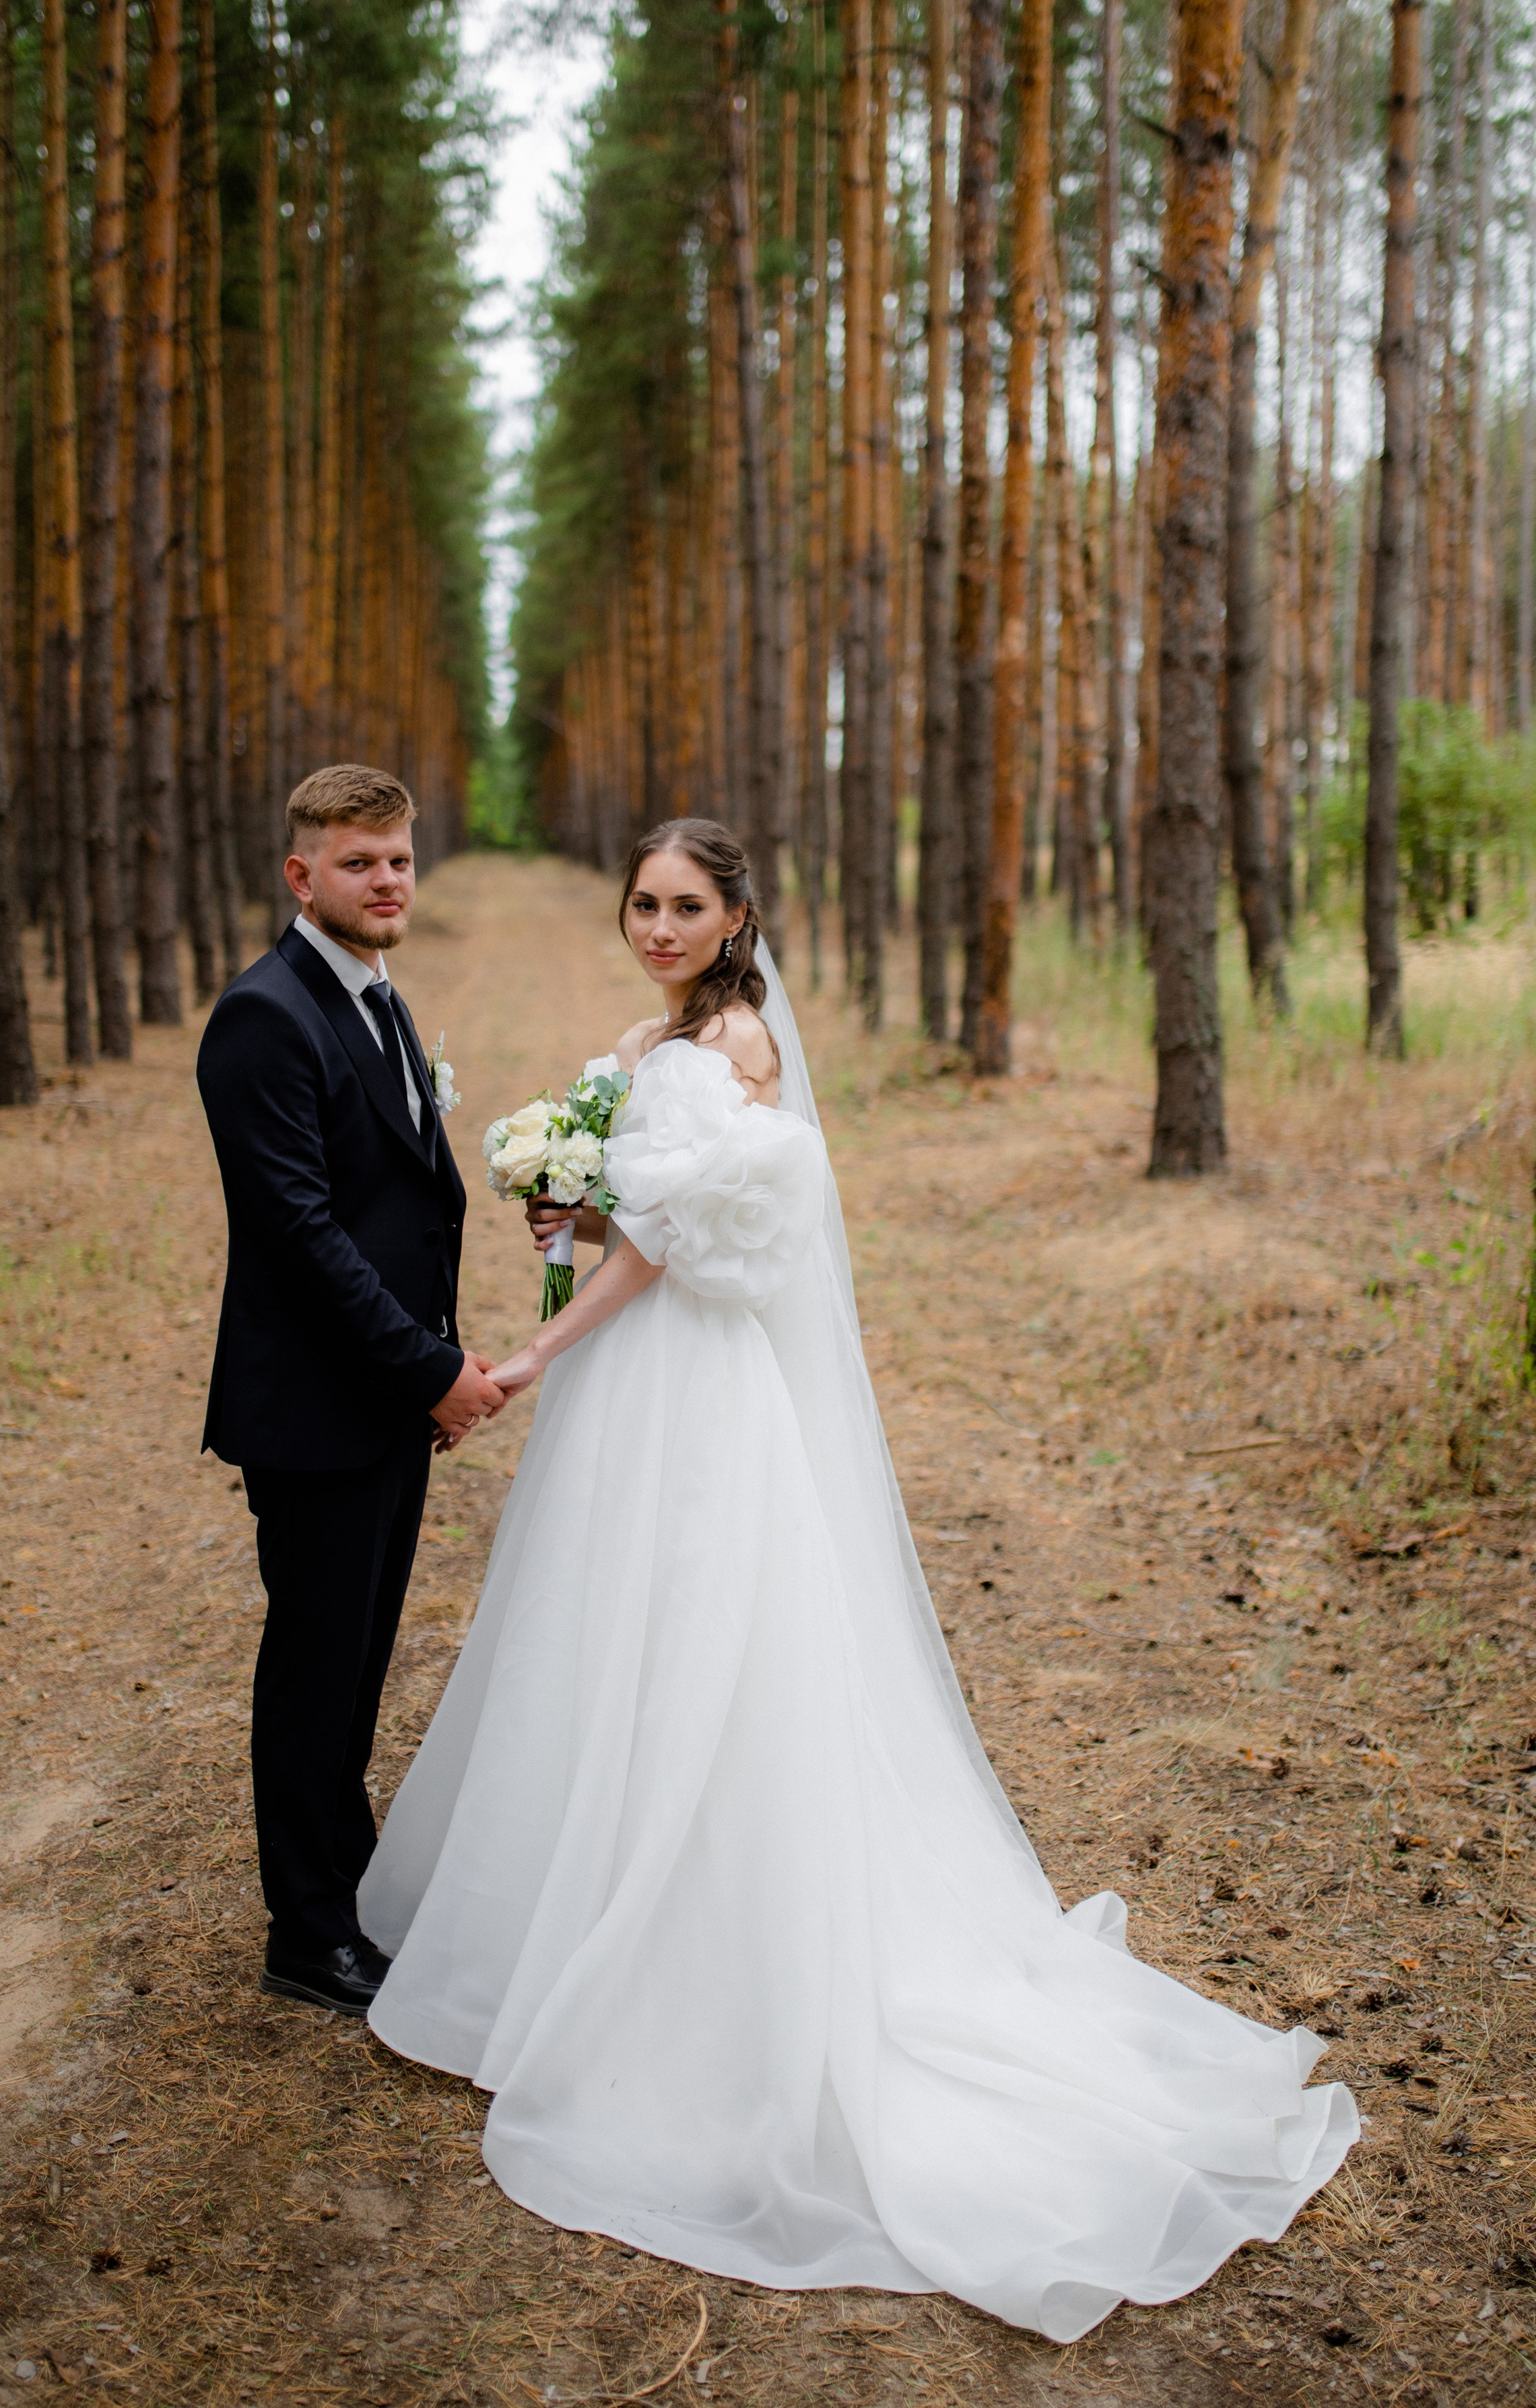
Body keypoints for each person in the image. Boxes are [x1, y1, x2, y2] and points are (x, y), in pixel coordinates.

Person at [357, 817, 1358, 2343]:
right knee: (598, 1638)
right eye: (641, 903)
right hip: (640, 1385)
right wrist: (564, 1212)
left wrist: (539, 1341)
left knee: (703, 1643)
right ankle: (566, 1910)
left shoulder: (736, 1047)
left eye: (684, 904)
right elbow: (627, 1224)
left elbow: (678, 1251)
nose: (656, 925)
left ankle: (692, 1949)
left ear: (736, 913)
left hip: (681, 1384)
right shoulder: (647, 1041)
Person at [197, 764, 504, 2017]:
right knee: (316, 1664)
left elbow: (400, 1192)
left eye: (399, 861)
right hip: (323, 1407)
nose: (387, 883)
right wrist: (433, 1368)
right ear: (300, 875)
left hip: (383, 1401)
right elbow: (302, 1235)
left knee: (362, 1657)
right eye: (359, 862)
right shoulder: (265, 1016)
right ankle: (306, 1931)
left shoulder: (374, 995)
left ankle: (347, 1876)